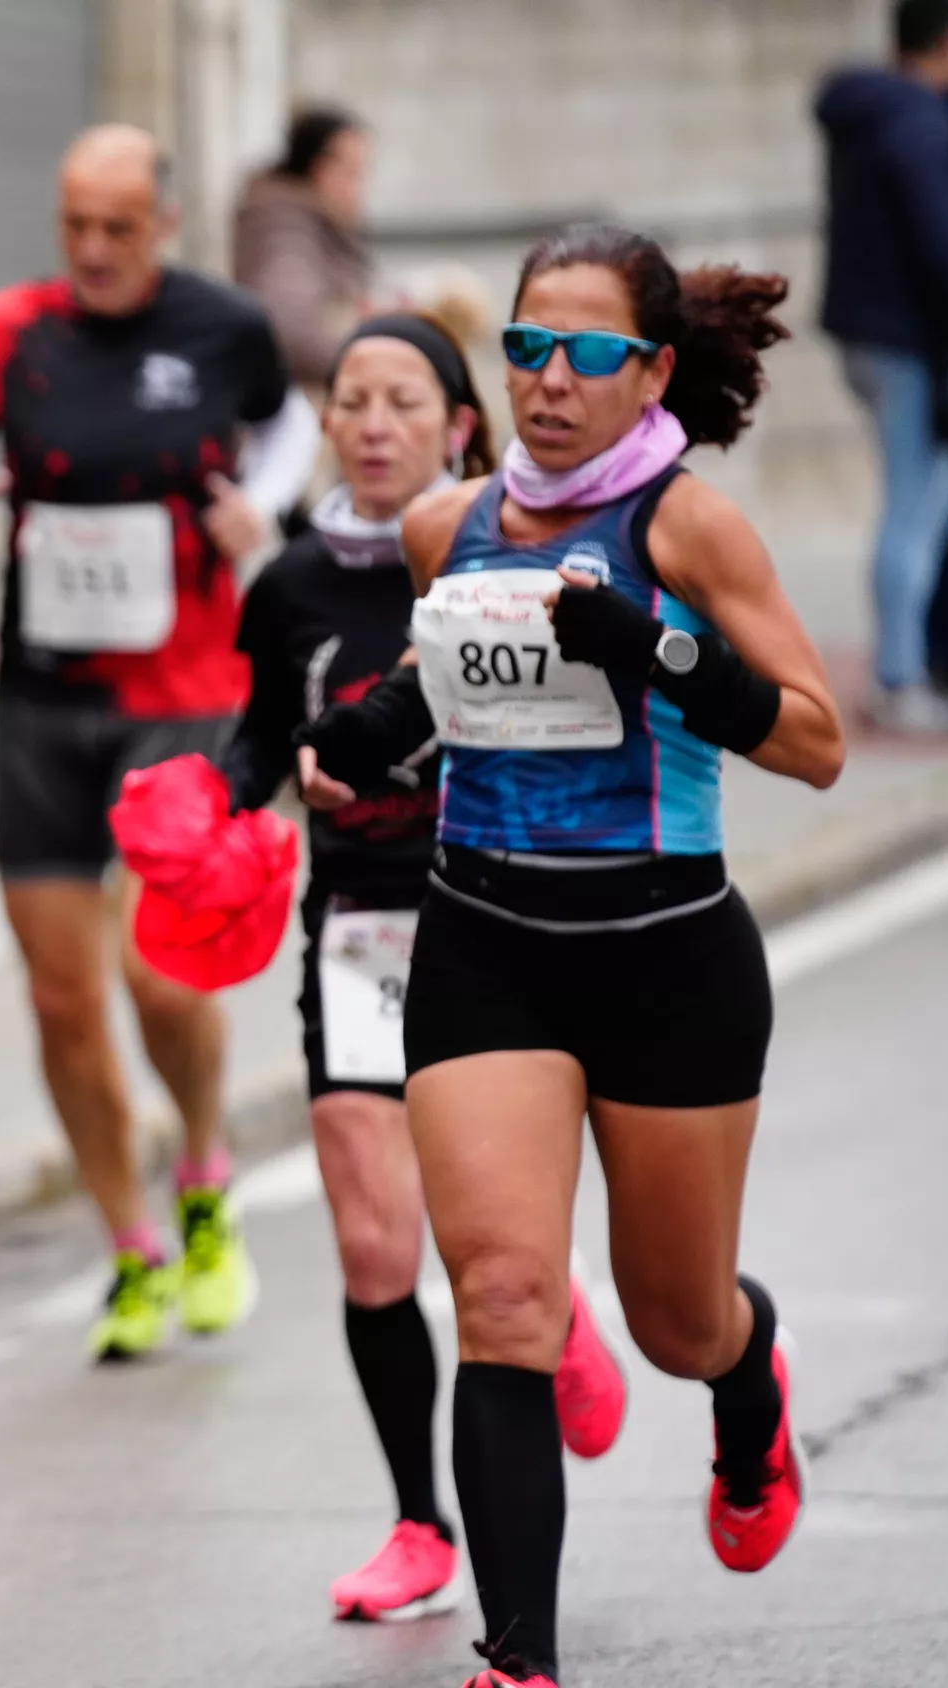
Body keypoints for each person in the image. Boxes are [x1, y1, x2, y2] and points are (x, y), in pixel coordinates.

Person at [302, 224, 842, 1688]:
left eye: (588, 354)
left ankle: (748, 1376)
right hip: (484, 942)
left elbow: (816, 741)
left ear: (651, 369)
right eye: (528, 346)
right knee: (508, 1301)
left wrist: (654, 649)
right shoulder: (447, 524)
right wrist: (357, 740)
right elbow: (443, 681)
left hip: (667, 952)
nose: (549, 378)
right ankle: (521, 1659)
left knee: (673, 1320)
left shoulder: (686, 530)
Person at [0, 122, 319, 1361]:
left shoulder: (223, 325)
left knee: (161, 974)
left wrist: (262, 511)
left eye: (120, 227)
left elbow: (288, 430)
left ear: (163, 224)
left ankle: (207, 1173)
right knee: (65, 1000)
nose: (97, 249)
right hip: (44, 704)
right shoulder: (10, 331)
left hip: (184, 696)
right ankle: (130, 1246)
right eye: (77, 225)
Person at [222, 310, 630, 1626]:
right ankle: (416, 1521)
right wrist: (209, 810)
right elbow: (258, 737)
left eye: (406, 399)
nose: (376, 422)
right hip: (353, 923)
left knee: (479, 1235)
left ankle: (545, 1297)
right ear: (329, 423)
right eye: (353, 399)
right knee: (367, 1228)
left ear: (460, 424)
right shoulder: (289, 585)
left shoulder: (498, 557)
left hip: (491, 909)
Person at [815, 0, 948, 728]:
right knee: (919, 506)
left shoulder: (877, 111)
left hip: (875, 339)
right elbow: (947, 253)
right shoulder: (919, 123)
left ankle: (903, 672)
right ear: (947, 43)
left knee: (916, 501)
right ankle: (899, 679)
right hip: (910, 347)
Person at [233, 106, 376, 398]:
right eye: (353, 174)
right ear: (319, 170)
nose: (359, 190)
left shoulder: (297, 222)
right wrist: (376, 358)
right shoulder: (284, 232)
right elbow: (292, 333)